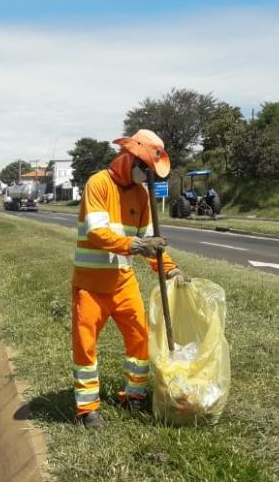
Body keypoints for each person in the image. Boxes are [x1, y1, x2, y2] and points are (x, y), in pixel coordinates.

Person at [71, 129, 190, 430]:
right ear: (131, 158)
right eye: (145, 169)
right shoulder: (98, 184)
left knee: (140, 338)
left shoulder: (141, 195)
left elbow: (150, 240)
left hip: (123, 281)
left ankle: (133, 395)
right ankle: (88, 409)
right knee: (86, 347)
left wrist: (169, 269)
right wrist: (136, 245)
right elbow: (98, 233)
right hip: (90, 285)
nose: (147, 177)